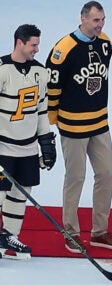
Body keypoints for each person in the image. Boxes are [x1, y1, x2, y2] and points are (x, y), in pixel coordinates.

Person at [46, 1, 112, 253]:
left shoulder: (106, 43)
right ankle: (71, 232)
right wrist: (52, 122)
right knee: (75, 178)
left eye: (103, 19)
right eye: (96, 20)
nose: (100, 24)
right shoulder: (63, 49)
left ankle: (100, 232)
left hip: (100, 123)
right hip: (72, 126)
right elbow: (53, 89)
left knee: (107, 173)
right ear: (82, 19)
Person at [0, 24, 56, 260]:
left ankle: (8, 238)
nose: (37, 49)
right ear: (19, 43)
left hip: (27, 148)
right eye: (33, 44)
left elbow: (41, 111)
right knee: (0, 194)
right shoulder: (2, 70)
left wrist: (46, 143)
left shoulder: (40, 72)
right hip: (3, 146)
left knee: (20, 194)